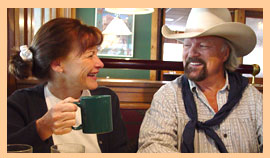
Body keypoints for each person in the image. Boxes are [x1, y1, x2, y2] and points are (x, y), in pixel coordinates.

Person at [138, 8, 263, 153]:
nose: (191, 53)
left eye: (203, 45)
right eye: (187, 45)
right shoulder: (168, 96)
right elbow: (153, 146)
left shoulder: (252, 99)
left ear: (225, 53)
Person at [8, 18, 131, 153]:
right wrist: (41, 128)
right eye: (90, 55)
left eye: (97, 53)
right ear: (58, 64)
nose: (100, 63)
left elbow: (121, 151)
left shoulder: (106, 98)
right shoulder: (21, 103)